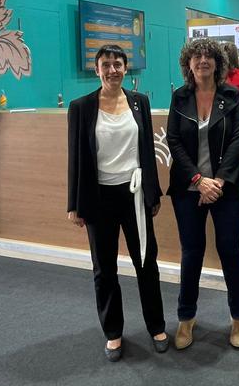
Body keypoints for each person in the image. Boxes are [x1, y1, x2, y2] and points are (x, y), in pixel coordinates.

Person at [67, 44, 168, 362]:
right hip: (98, 199)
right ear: (96, 70)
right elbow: (76, 158)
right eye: (106, 64)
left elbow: (147, 153)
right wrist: (75, 203)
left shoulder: (140, 103)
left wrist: (153, 193)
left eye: (118, 64)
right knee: (104, 269)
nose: (112, 70)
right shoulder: (81, 107)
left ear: (127, 68)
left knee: (146, 262)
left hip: (134, 196)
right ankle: (113, 332)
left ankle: (157, 327)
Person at [166, 38, 239, 350]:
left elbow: (238, 139)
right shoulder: (180, 97)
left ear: (217, 62)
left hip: (226, 189)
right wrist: (200, 179)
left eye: (208, 56)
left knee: (230, 251)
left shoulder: (230, 95)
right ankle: (186, 318)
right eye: (197, 56)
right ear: (188, 64)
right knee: (191, 253)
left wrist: (217, 182)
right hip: (188, 188)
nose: (203, 61)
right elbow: (173, 140)